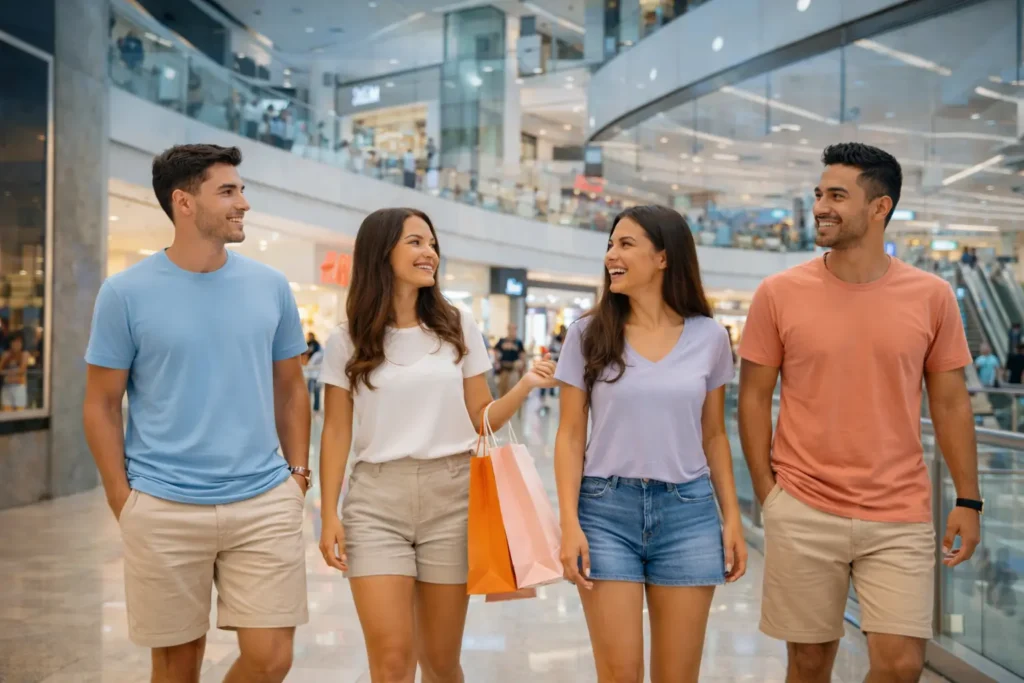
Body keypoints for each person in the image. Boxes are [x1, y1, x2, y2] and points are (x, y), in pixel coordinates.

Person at [738, 143, 981, 683]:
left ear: (880, 208)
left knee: (899, 665)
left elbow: (950, 401)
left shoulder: (932, 296)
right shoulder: (779, 293)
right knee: (808, 661)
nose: (821, 205)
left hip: (899, 511)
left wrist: (968, 497)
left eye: (837, 195)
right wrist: (767, 493)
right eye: (819, 194)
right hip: (802, 504)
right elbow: (752, 396)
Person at [83, 144, 311, 683]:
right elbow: (100, 403)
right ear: (184, 202)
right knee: (177, 666)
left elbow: (291, 388)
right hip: (162, 504)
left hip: (263, 500)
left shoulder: (270, 287)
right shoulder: (124, 293)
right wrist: (124, 500)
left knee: (272, 657)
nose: (243, 204)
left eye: (242, 189)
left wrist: (297, 476)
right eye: (227, 191)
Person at [317, 207, 556, 683]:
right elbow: (336, 432)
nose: (430, 253)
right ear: (381, 253)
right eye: (416, 242)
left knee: (442, 663)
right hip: (375, 503)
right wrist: (328, 513)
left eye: (432, 243)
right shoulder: (347, 340)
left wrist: (525, 386)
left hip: (452, 497)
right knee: (391, 661)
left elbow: (481, 418)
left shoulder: (457, 324)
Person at [555, 205, 747, 683]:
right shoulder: (586, 334)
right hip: (604, 512)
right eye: (610, 245)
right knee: (619, 675)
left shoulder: (709, 337)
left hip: (689, 514)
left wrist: (733, 519)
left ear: (663, 257)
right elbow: (570, 433)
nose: (611, 256)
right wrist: (567, 522)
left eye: (625, 244)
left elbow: (714, 434)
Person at [493, 324, 525, 397]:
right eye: (510, 329)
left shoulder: (518, 342)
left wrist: (522, 364)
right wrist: (496, 361)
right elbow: (495, 350)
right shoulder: (502, 341)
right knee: (502, 389)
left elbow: (522, 354)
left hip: (514, 369)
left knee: (512, 390)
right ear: (508, 330)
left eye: (514, 329)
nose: (512, 331)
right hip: (504, 368)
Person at [0, 333, 30, 410]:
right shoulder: (6, 354)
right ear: (10, 343)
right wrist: (5, 359)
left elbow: (21, 370)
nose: (16, 344)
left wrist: (6, 372)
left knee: (20, 414)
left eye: (19, 342)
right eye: (14, 342)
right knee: (7, 413)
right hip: (7, 387)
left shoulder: (24, 354)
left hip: (19, 387)